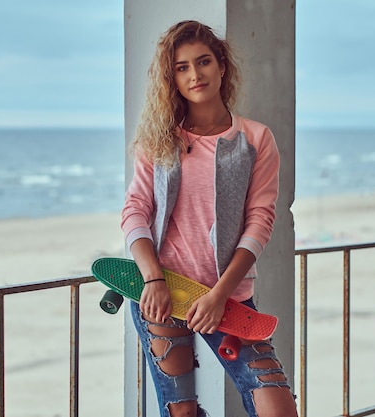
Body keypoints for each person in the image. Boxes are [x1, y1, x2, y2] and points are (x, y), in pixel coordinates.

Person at [121, 20, 298, 417]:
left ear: (221, 66)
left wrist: (219, 295)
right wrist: (152, 278)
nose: (194, 74)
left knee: (278, 409)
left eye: (202, 62)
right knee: (181, 413)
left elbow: (259, 221)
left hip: (227, 297)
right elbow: (135, 210)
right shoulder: (158, 138)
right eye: (181, 67)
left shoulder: (255, 139)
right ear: (172, 79)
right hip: (163, 293)